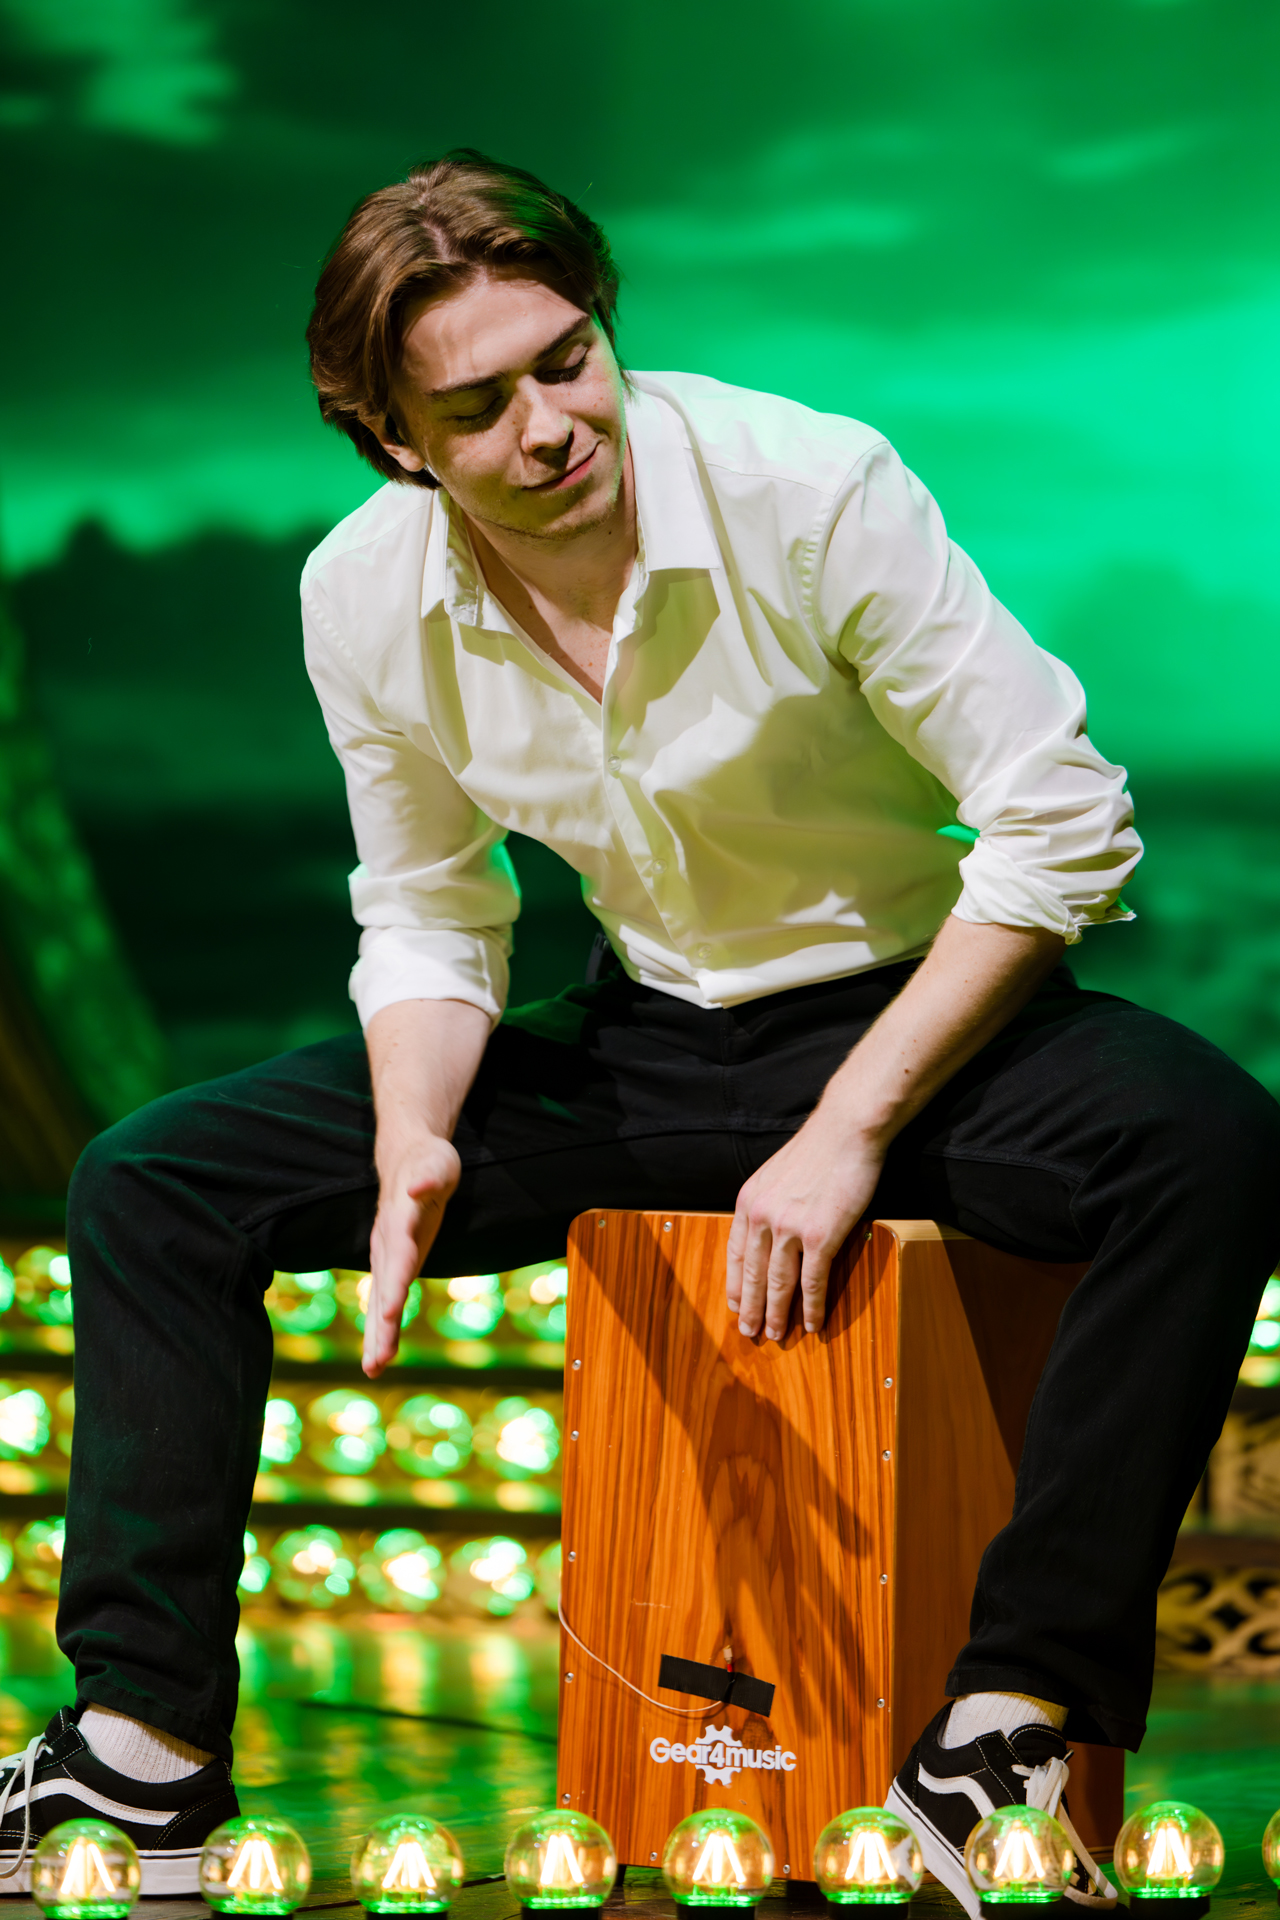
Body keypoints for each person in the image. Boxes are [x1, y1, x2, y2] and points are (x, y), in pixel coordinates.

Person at [9, 151, 1275, 1906]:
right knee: (154, 1182)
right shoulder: (359, 595)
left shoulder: (810, 485)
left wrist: (844, 1132)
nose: (549, 423)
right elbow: (435, 906)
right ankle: (142, 1754)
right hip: (649, 1037)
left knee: (1207, 1139)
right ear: (395, 440)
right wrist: (411, 1134)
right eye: (481, 404)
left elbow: (1063, 819)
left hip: (919, 1024)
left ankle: (1009, 1713)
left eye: (568, 359)